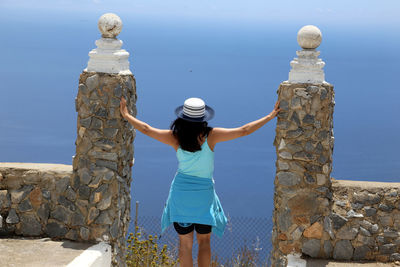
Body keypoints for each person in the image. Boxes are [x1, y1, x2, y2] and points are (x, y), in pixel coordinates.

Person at [120, 96, 280, 267]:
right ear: (203, 118)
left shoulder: (175, 137)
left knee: (185, 245)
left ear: (182, 117)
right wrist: (270, 116)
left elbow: (146, 129)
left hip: (181, 195)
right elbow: (244, 130)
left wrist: (127, 115)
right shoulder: (212, 136)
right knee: (204, 242)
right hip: (204, 196)